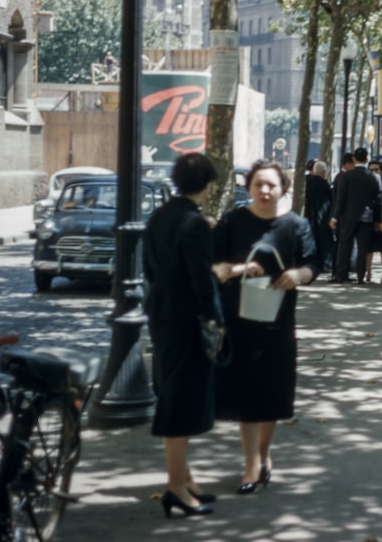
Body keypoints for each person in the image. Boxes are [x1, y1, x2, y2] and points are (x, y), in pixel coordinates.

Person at [212, 159, 319, 495]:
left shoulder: (295, 225)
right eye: (259, 184)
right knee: (245, 394)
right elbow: (213, 266)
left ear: (283, 189)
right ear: (249, 187)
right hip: (238, 320)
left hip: (278, 322)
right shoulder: (232, 222)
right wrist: (238, 269)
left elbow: (314, 263)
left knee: (272, 392)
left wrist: (298, 275)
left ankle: (264, 454)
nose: (265, 190)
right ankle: (250, 463)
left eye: (271, 184)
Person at [142, 152, 221, 518]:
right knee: (180, 402)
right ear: (206, 184)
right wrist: (216, 321)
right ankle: (176, 487)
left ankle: (185, 480)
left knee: (175, 392)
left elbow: (148, 268)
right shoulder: (195, 224)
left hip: (161, 315)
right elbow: (202, 281)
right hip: (186, 320)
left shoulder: (159, 216)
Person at [329, 147, 382, 284]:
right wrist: (378, 219)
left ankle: (341, 274)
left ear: (354, 159)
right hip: (367, 216)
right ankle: (360, 275)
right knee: (363, 246)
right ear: (367, 158)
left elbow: (341, 199)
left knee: (345, 243)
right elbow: (377, 200)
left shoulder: (346, 176)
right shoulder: (373, 177)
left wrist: (334, 217)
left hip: (348, 215)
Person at [303, 160, 334, 275]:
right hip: (322, 218)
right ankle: (325, 265)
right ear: (324, 172)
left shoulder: (306, 182)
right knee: (324, 241)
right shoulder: (324, 184)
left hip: (309, 217)